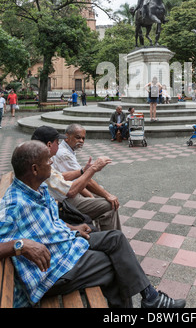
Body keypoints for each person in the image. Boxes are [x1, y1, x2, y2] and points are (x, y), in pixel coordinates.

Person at [0, 141, 186, 309]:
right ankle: (150, 300)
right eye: (48, 160)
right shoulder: (13, 205)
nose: (51, 163)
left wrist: (72, 228)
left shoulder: (38, 188)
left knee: (115, 238)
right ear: (34, 169)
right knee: (115, 266)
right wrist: (21, 245)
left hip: (64, 245)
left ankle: (151, 299)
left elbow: (50, 221)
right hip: (52, 272)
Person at [44, 124, 121, 231]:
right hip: (64, 202)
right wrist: (92, 169)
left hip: (65, 195)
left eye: (83, 138)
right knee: (110, 204)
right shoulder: (59, 155)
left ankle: (109, 236)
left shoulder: (49, 160)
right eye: (78, 137)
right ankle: (112, 240)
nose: (81, 141)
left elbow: (66, 178)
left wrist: (83, 172)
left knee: (102, 194)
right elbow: (72, 189)